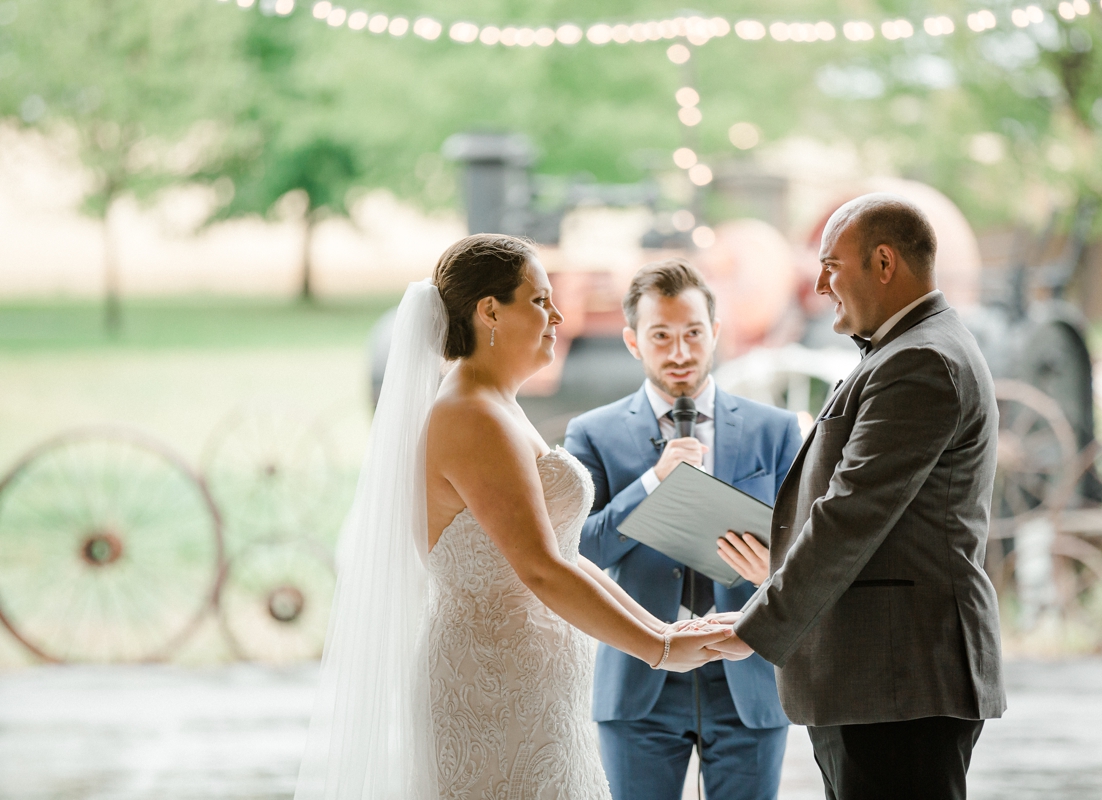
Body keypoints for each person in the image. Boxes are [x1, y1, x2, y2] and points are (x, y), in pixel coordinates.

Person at [294, 234, 733, 800]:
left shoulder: (497, 405)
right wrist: (659, 652)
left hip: (531, 693)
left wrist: (664, 630)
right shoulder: (471, 416)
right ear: (490, 311)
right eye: (540, 300)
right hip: (491, 691)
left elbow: (564, 551)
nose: (558, 316)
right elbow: (541, 568)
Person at [709, 194, 1006, 800]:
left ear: (885, 262)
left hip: (897, 681)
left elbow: (851, 515)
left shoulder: (921, 360)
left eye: (831, 266)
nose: (820, 285)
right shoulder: (909, 349)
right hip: (878, 680)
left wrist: (754, 627)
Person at [564, 259, 803, 800]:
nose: (680, 352)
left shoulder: (775, 430)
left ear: (715, 333)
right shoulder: (594, 434)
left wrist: (772, 570)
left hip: (748, 672)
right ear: (632, 341)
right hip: (640, 677)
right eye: (661, 336)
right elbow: (580, 550)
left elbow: (807, 546)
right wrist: (652, 482)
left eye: (693, 333)